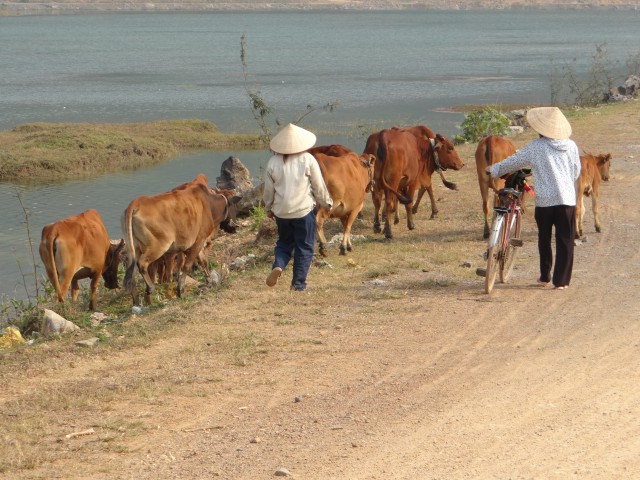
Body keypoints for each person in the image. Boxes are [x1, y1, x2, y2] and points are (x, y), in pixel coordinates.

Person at [486, 107, 581, 290]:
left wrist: (495, 169)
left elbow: (515, 161)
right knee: (565, 240)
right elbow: (576, 172)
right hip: (566, 200)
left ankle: (545, 276)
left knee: (544, 238)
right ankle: (561, 281)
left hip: (544, 201)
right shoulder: (571, 146)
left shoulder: (536, 147)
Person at [263, 123, 333, 291]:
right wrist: (327, 203)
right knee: (304, 246)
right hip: (303, 211)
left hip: (281, 213)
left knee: (284, 243)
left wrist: (269, 209)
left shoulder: (273, 162)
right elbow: (318, 186)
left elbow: (268, 191)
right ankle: (298, 284)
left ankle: (278, 265)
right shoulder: (308, 159)